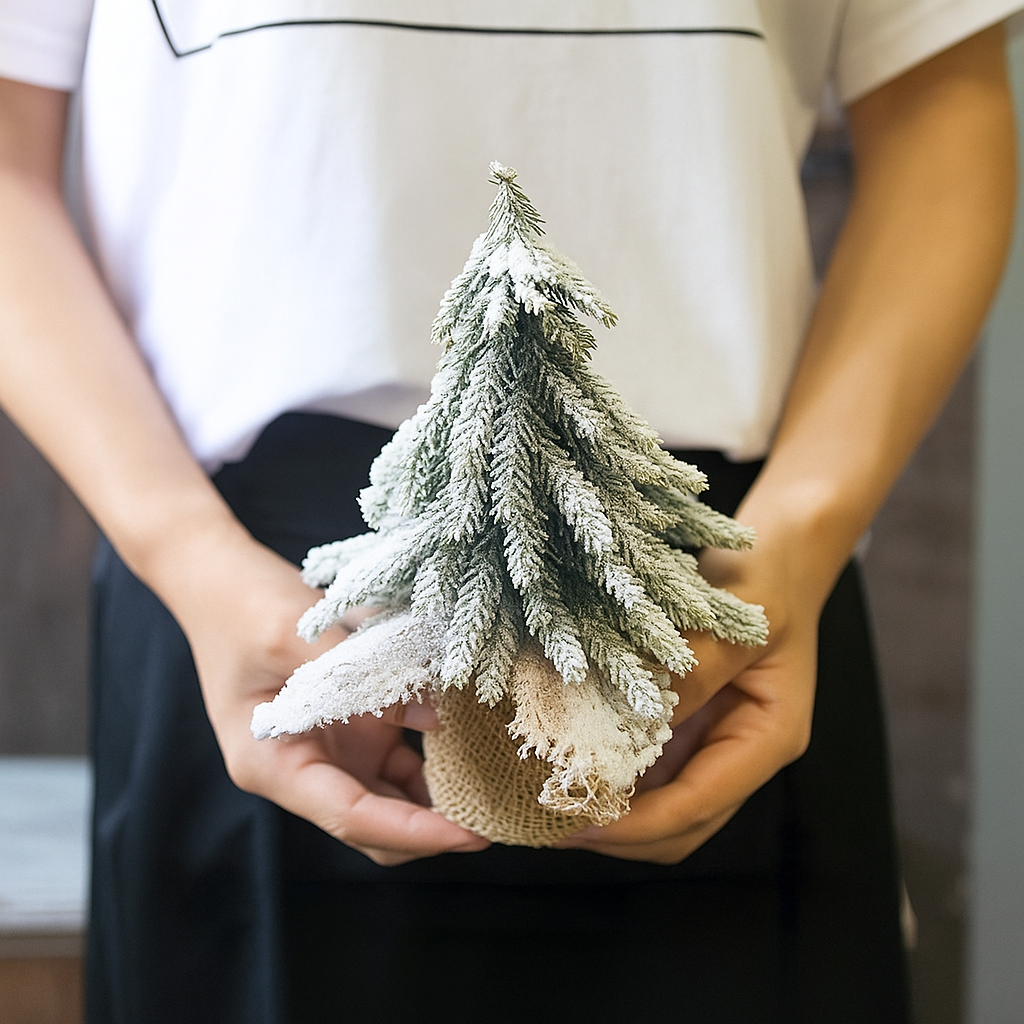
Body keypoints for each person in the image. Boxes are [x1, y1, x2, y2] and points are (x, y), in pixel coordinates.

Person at [0, 2, 1017, 1021]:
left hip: (721, 597)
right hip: (243, 595)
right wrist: (186, 551)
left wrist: (799, 541)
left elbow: (937, 101)